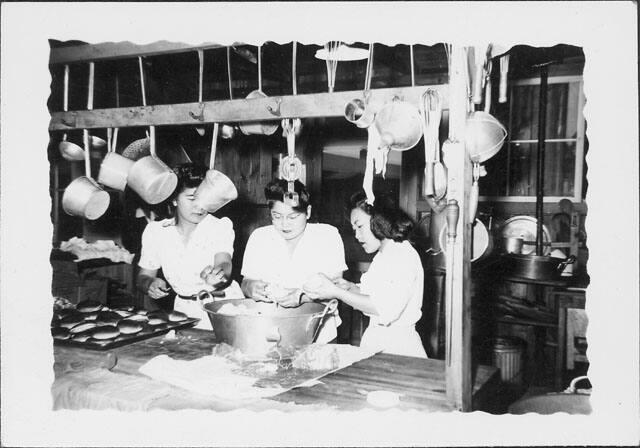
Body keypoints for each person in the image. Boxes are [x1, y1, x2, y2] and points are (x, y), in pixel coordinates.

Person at [302, 191, 428, 358]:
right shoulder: (384, 255)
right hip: (379, 341)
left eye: (359, 226)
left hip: (399, 347)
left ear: (379, 220)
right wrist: (350, 287)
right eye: (354, 229)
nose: (356, 235)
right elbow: (376, 294)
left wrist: (337, 292)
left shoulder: (402, 254)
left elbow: (384, 308)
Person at [137, 163, 243, 329]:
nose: (200, 206)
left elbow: (224, 262)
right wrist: (149, 284)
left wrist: (219, 275)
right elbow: (143, 276)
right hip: (183, 313)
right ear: (174, 199)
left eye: (206, 199)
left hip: (223, 307)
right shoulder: (156, 232)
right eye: (192, 198)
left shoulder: (219, 226)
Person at [240, 179, 347, 343]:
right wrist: (251, 287)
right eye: (277, 216)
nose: (284, 224)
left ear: (308, 212)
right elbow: (246, 283)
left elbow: (338, 286)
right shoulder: (260, 237)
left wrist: (302, 297)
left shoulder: (327, 236)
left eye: (293, 217)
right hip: (268, 329)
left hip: (319, 331)